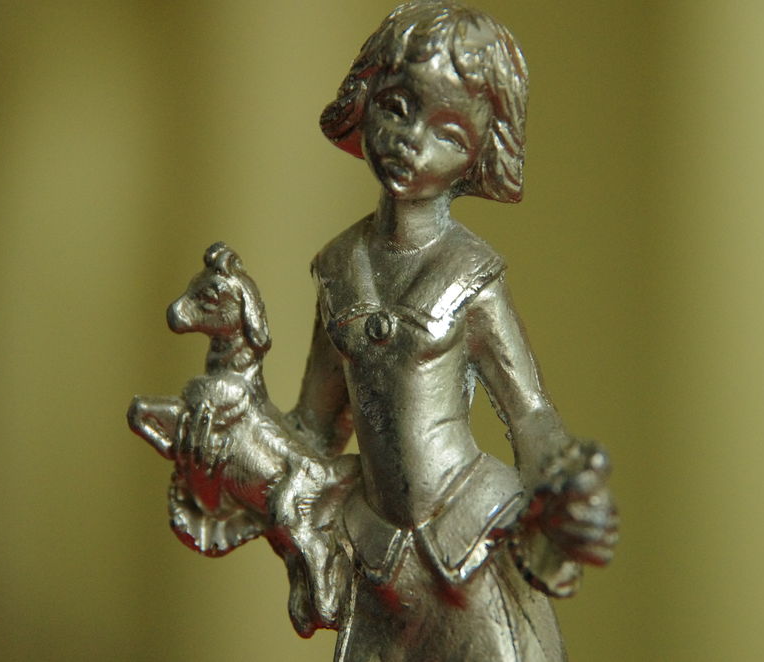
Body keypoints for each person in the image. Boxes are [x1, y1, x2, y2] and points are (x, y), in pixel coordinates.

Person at [285, 2, 618, 660]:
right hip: (376, 560)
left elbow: (529, 414)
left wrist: (562, 485)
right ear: (365, 99)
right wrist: (233, 386)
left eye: (448, 133)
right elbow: (315, 433)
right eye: (397, 107)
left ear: (477, 156)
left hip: (467, 546)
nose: (410, 141)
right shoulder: (339, 269)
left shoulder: (471, 275)